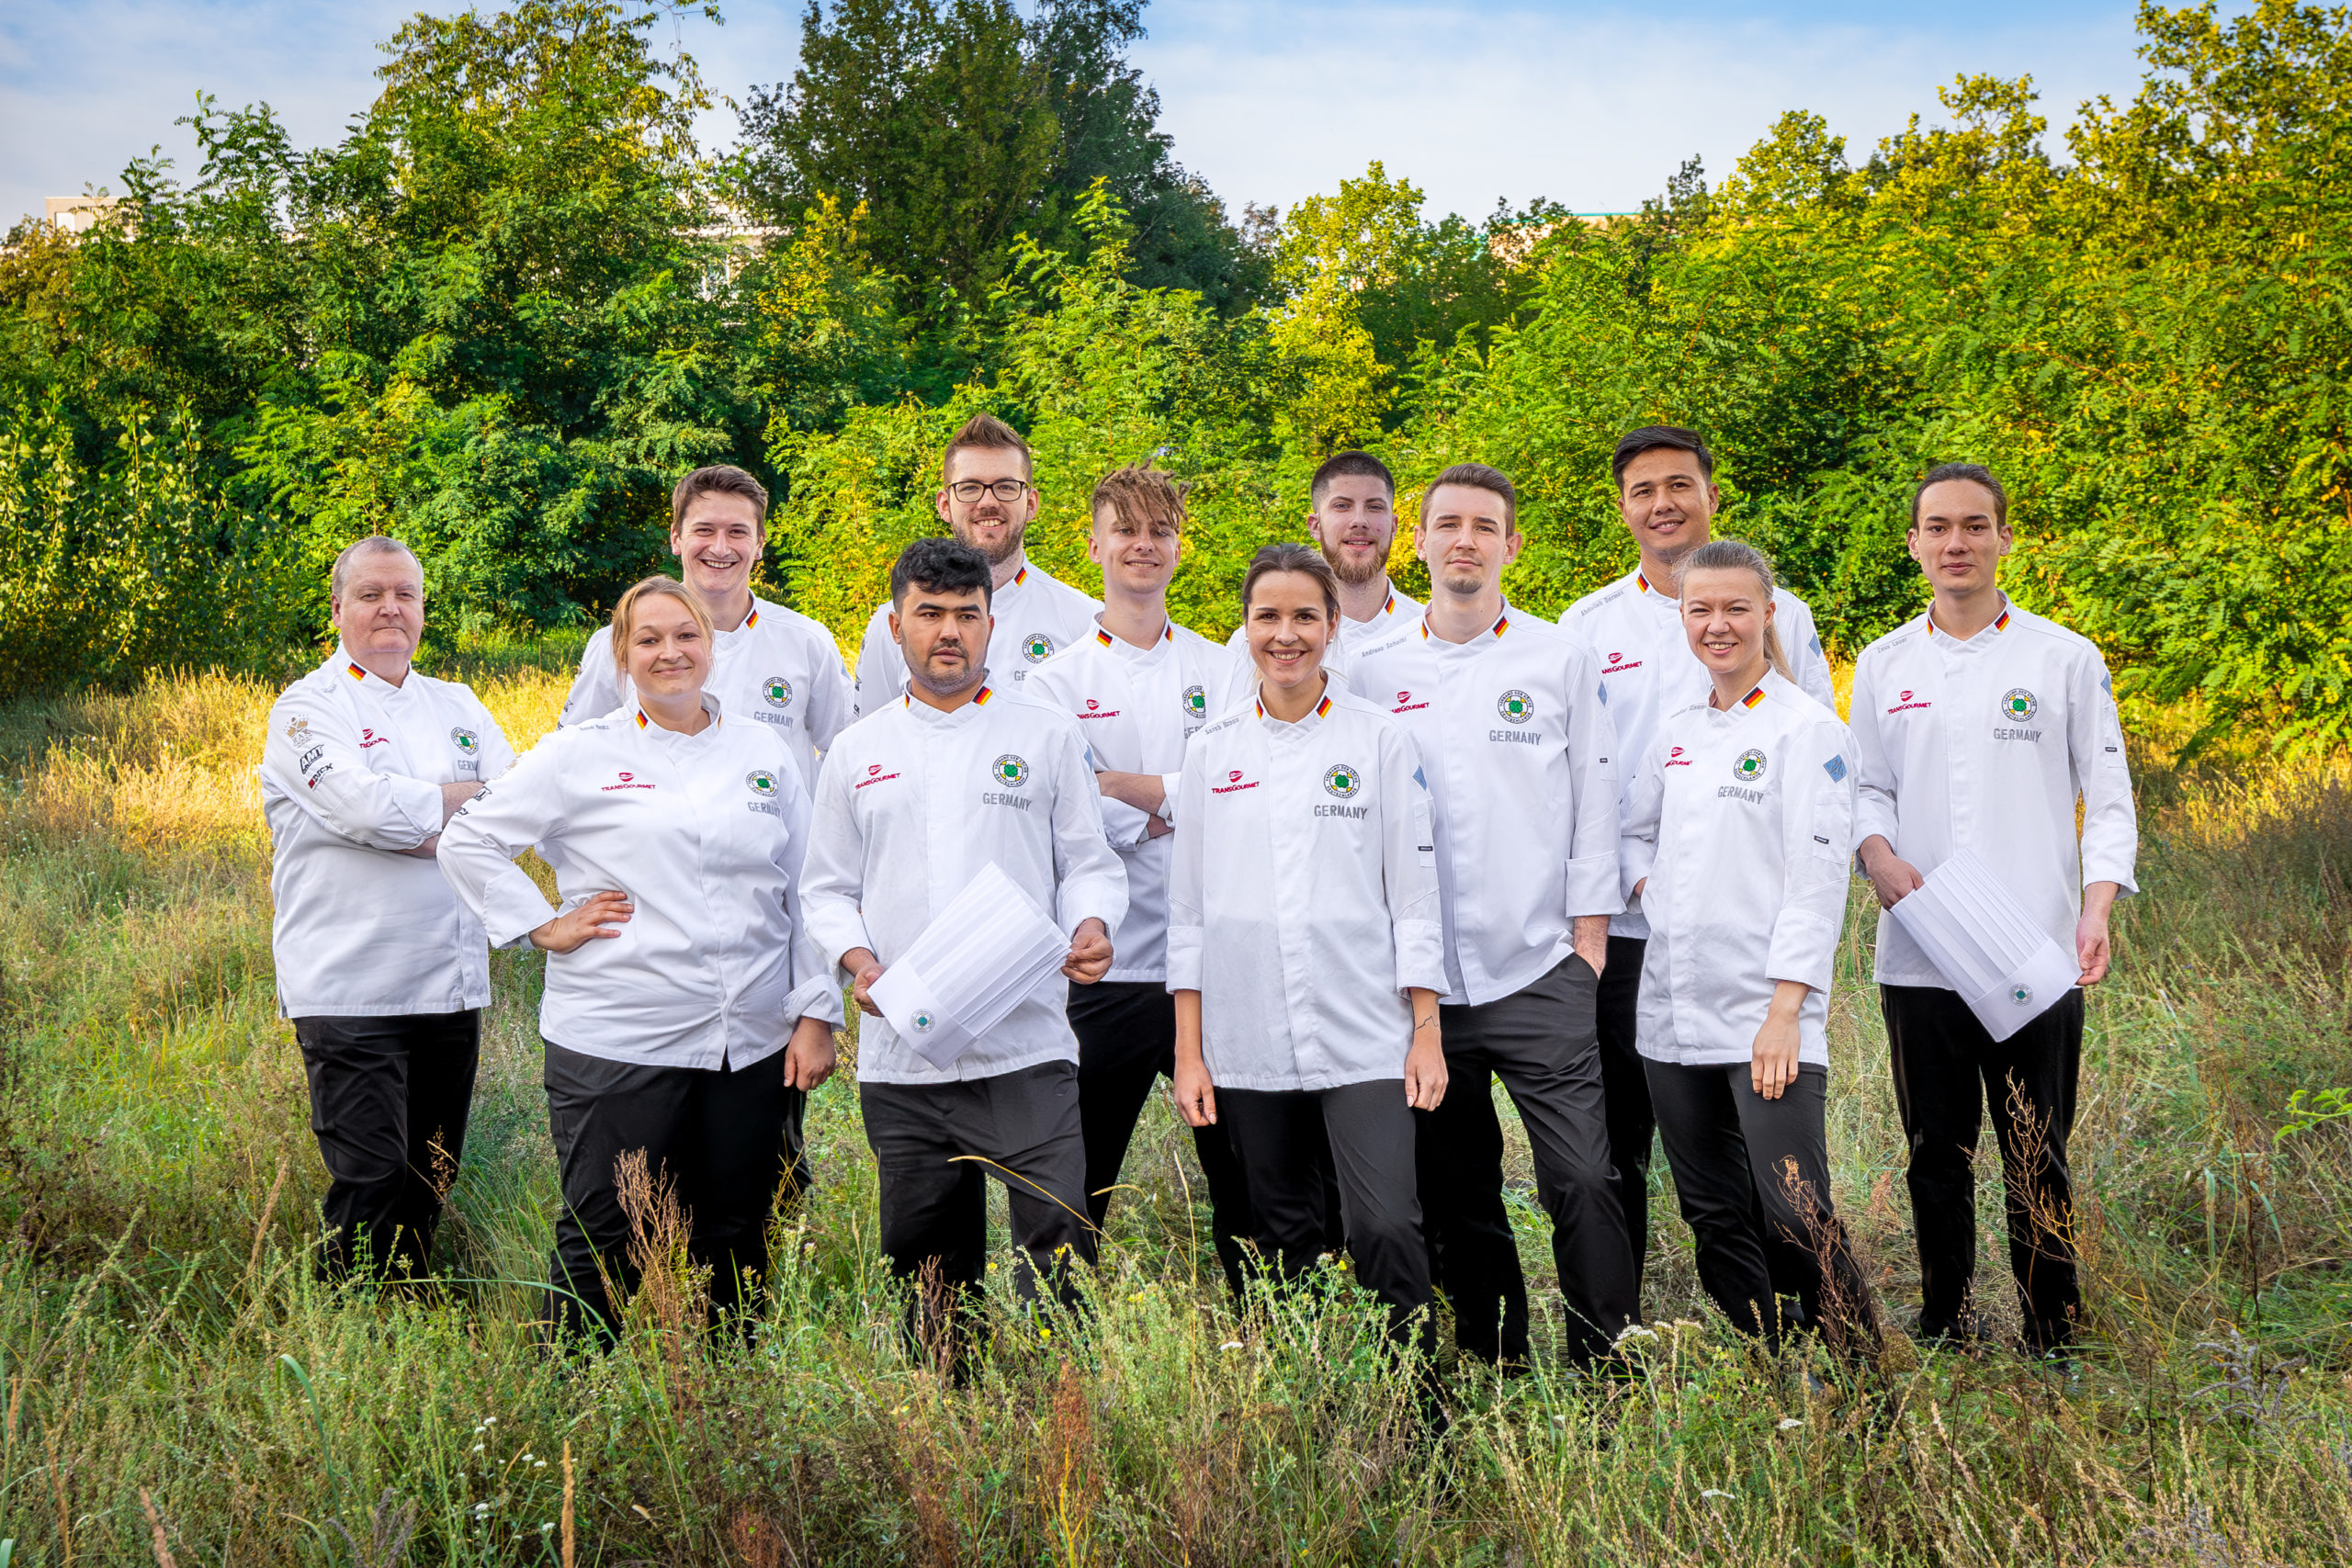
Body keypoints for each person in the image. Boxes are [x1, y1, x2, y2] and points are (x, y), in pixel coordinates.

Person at [436, 577, 842, 1340]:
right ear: (621, 655)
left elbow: (805, 885)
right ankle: (571, 1392)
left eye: (685, 636)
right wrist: (542, 924)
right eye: (648, 639)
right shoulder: (579, 753)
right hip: (620, 1037)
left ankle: (729, 1390)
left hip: (749, 1040)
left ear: (710, 647)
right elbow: (469, 838)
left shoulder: (762, 750)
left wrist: (817, 1011)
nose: (670, 652)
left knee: (739, 1233)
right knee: (607, 1236)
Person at [802, 537, 1128, 1360]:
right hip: (904, 1055)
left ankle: (1064, 1398)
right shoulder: (858, 750)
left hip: (1027, 1047)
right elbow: (826, 889)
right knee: (927, 1262)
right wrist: (860, 963)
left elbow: (1088, 863)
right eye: (930, 614)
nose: (949, 631)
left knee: (1058, 1242)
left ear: (991, 624)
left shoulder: (1046, 735)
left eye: (967, 615)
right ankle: (944, 1403)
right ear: (895, 626)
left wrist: (1092, 924)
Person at [1349, 464, 1638, 1370]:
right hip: (1423, 984)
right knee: (1456, 1183)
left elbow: (1597, 798)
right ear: (1420, 542)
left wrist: (1588, 940)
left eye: (1484, 526)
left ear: (1511, 545)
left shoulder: (1560, 658)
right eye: (1448, 524)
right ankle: (1497, 1352)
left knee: (1583, 1175)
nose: (1465, 540)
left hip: (1539, 965)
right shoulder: (1370, 671)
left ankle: (1606, 1360)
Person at [1850, 463, 2137, 1357]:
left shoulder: (2063, 658)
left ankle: (2053, 1329)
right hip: (1922, 951)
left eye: (1975, 525)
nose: (1956, 543)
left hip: (2033, 950)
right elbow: (1864, 787)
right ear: (1914, 544)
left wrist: (2095, 909)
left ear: (2004, 538)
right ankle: (1948, 1323)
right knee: (1936, 1152)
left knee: (2036, 1150)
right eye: (1938, 527)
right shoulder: (1883, 663)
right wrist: (1877, 855)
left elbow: (2109, 797)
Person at [1558, 424, 1838, 1307]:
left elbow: (1819, 829)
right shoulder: (1590, 630)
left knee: (1783, 1187)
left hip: (1756, 943)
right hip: (1637, 943)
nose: (1663, 503)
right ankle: (1653, 1328)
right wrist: (1648, 885)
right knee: (1650, 1159)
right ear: (1622, 506)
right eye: (1644, 489)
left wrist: (1787, 1002)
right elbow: (1602, 799)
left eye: (1679, 484)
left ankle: (1833, 1349)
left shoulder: (1794, 660)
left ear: (1711, 494)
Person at [1170, 543, 1449, 1350]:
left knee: (1386, 1223)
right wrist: (1189, 1053)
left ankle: (1416, 1405)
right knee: (1284, 1232)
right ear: (1245, 628)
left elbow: (1414, 897)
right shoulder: (1211, 751)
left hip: (1365, 1030)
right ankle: (1315, 1400)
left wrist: (1426, 1031)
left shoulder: (1380, 741)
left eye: (1303, 616)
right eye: (1268, 616)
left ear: (1333, 626)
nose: (1285, 634)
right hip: (1247, 1034)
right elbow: (1188, 913)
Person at [1619, 538, 1879, 1358]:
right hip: (1671, 1011)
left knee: (1796, 1209)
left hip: (1767, 1013)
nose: (1718, 624)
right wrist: (1657, 892)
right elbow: (1631, 832)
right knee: (1712, 1211)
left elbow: (1817, 881)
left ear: (1769, 614)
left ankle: (1864, 1376)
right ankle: (1772, 1356)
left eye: (1736, 607)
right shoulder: (1676, 730)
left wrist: (1785, 1012)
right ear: (1682, 620)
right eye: (1700, 609)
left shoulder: (1810, 730)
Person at [1024, 465, 1258, 1294]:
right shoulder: (1052, 681)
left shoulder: (1222, 666)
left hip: (1210, 962)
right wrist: (1173, 803)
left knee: (1244, 1168)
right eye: (1126, 528)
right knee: (1077, 1176)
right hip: (1106, 967)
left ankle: (1265, 1320)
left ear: (1179, 547)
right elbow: (1065, 814)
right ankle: (1061, 1334)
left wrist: (1125, 787)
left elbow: (1242, 791)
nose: (1143, 544)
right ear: (1093, 545)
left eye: (1160, 530)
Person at [262, 535, 514, 1280]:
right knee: (370, 1178)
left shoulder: (458, 704)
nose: (389, 608)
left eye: (405, 593)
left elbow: (518, 806)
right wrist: (458, 815)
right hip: (348, 982)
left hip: (447, 982)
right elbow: (365, 810)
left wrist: (417, 824)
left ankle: (406, 1306)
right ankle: (349, 1319)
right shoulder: (306, 709)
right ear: (338, 607)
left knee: (431, 1174)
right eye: (370, 593)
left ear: (423, 608)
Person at [559, 465, 852, 791]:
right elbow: (570, 756)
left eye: (737, 532)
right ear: (676, 537)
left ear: (759, 543)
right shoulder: (621, 641)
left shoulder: (807, 641)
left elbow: (848, 753)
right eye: (704, 530)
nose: (720, 548)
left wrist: (807, 806)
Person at [851, 414, 1100, 716]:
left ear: (1031, 503)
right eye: (969, 488)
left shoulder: (1084, 621)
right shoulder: (892, 622)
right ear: (945, 505)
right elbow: (869, 734)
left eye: (1006, 487)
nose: (988, 502)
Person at [1225, 451, 1421, 678]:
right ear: (1315, 526)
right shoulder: (1255, 644)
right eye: (1342, 506)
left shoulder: (1429, 632)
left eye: (1375, 507)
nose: (1359, 521)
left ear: (1394, 526)